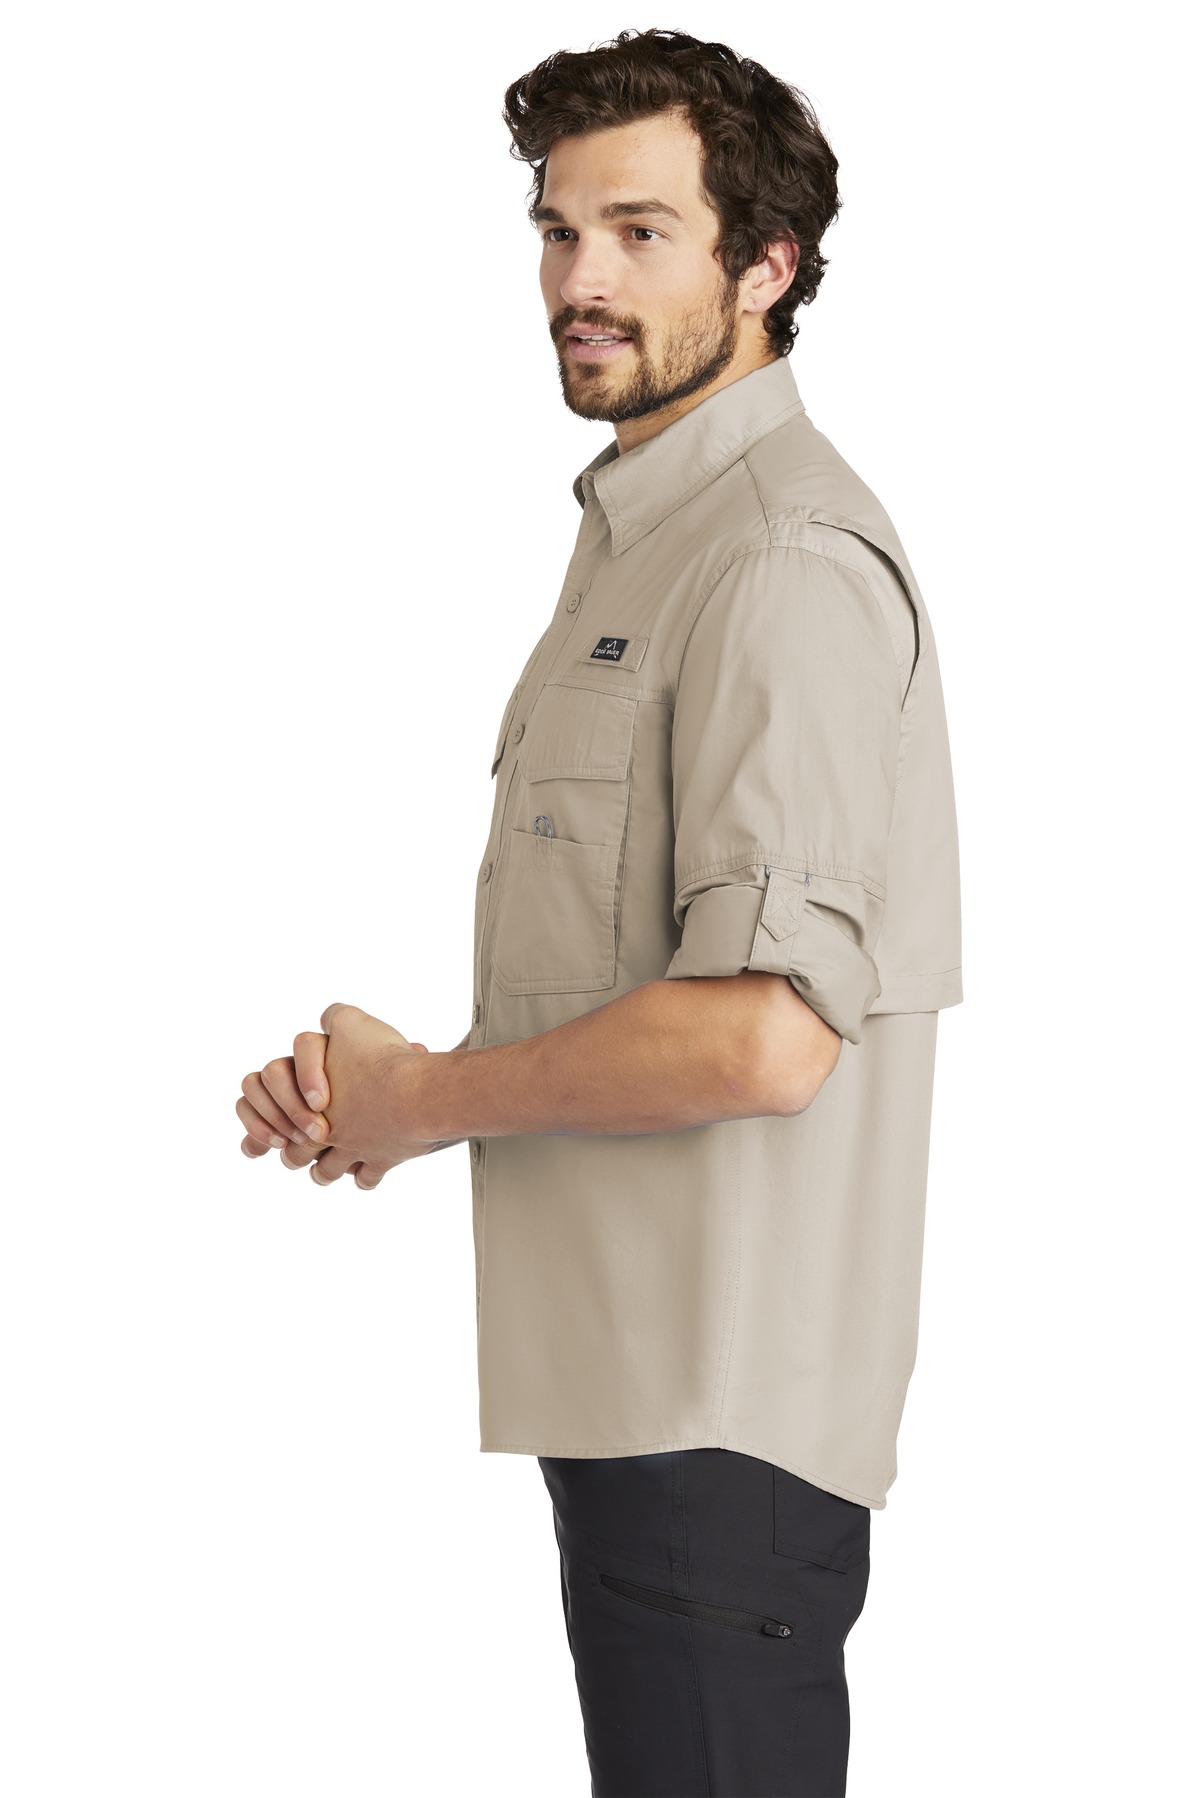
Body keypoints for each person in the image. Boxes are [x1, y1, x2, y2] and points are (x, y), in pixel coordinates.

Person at [236, 28, 963, 1797]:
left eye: (642, 232)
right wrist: (382, 1087)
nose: (582, 281)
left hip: (719, 1433)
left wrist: (427, 1101)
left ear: (767, 265)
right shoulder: (651, 538)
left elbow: (766, 1035)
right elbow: (631, 976)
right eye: (560, 232)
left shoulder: (779, 558)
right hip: (647, 1414)